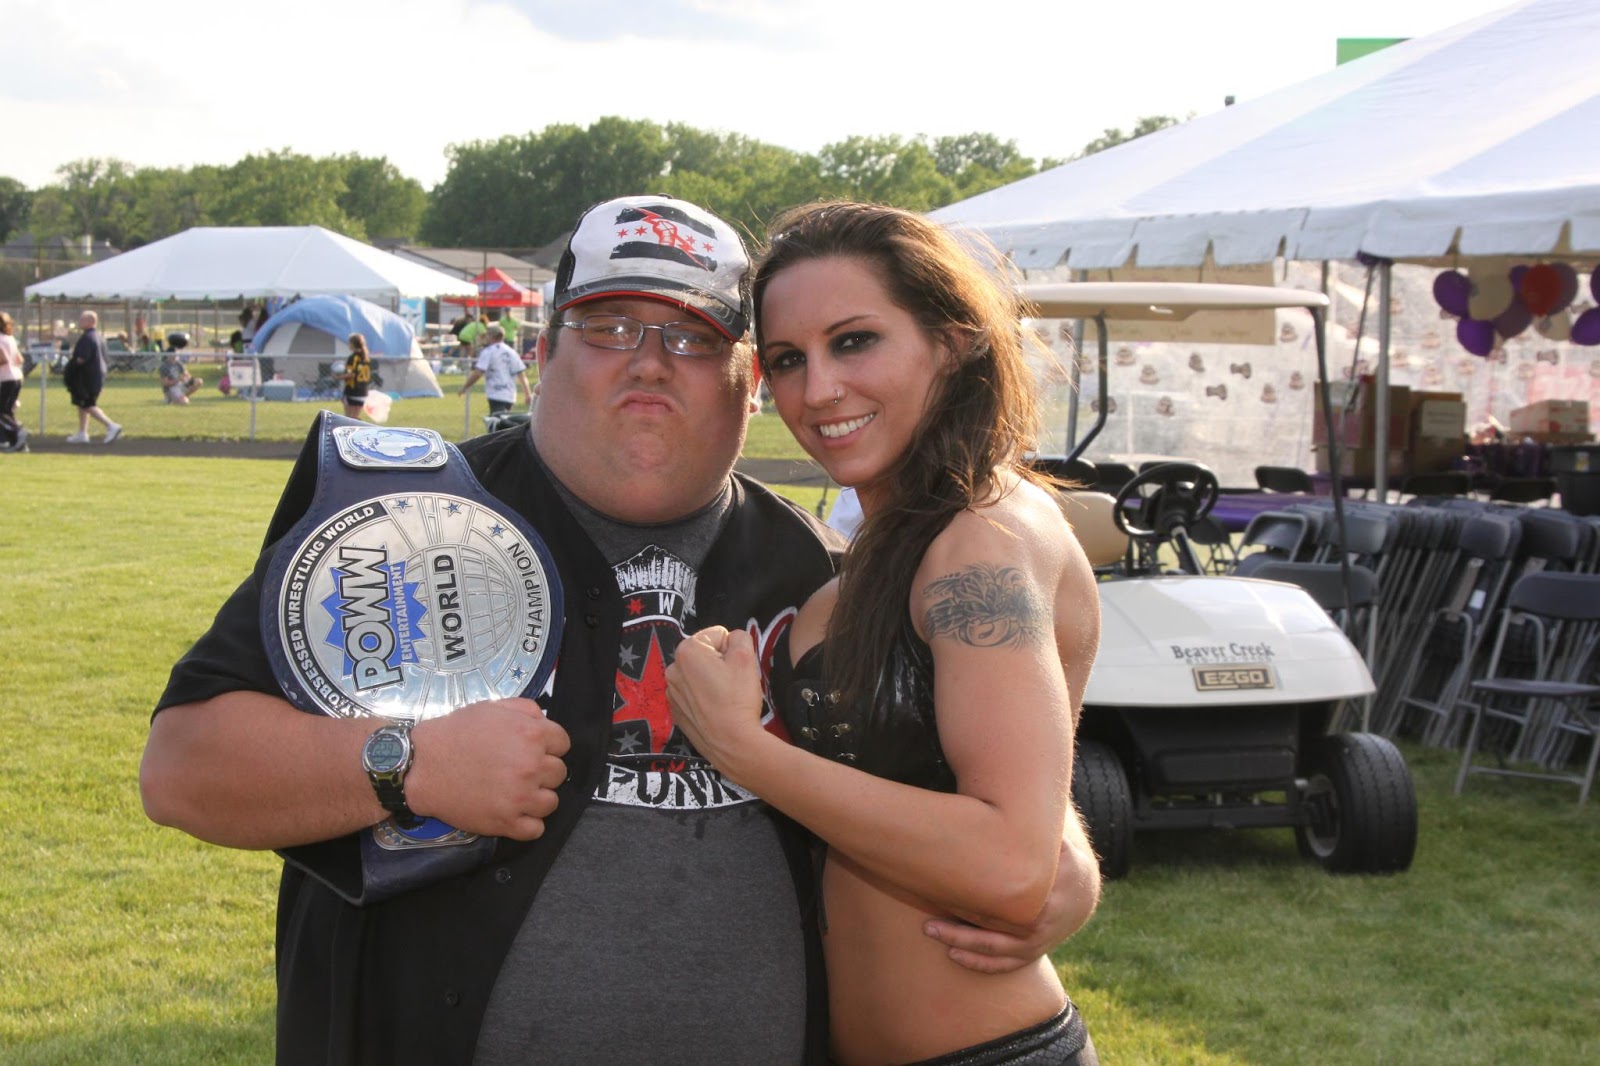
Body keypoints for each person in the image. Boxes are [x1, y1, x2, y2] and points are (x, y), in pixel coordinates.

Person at [140, 194, 1090, 1065]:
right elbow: (181, 768)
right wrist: (407, 764)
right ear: (545, 351)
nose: (649, 360)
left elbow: (959, 769)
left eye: (693, 337)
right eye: (609, 326)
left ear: (747, 381)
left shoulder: (814, 569)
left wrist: (1062, 850)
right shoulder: (404, 522)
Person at [666, 201, 1103, 1065]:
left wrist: (742, 748)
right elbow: (1016, 784)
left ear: (953, 342)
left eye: (855, 341)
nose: (818, 389)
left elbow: (1013, 865)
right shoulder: (896, 543)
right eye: (788, 359)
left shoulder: (981, 538)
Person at [63, 310, 121, 443]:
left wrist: (70, 366)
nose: (80, 322)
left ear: (90, 321)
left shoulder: (88, 338)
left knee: (87, 404)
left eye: (82, 320)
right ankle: (82, 432)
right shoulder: (98, 336)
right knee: (81, 403)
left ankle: (111, 425)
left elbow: (82, 358)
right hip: (96, 375)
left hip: (87, 376)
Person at [458, 324, 531, 414]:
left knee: (497, 420)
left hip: (496, 394)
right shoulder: (511, 352)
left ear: (491, 336)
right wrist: (527, 394)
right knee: (504, 420)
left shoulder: (488, 352)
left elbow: (478, 373)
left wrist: (465, 387)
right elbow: (521, 374)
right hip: (510, 395)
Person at [0, 312, 28, 452]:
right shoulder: (9, 338)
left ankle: (18, 430)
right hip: (16, 377)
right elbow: (19, 359)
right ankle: (18, 444)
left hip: (5, 378)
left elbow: (3, 359)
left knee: (1, 412)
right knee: (8, 411)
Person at [341, 332, 373, 419]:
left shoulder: (353, 358)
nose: (348, 344)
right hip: (363, 391)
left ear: (353, 344)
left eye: (349, 343)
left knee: (348, 418)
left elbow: (351, 374)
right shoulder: (366, 358)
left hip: (352, 391)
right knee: (355, 418)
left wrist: (337, 376)